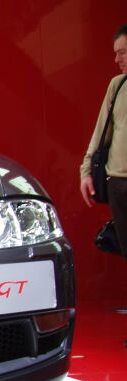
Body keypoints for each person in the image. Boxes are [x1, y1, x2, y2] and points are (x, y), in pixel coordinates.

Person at [79, 24, 127, 258]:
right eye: (116, 52)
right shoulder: (117, 86)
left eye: (123, 52)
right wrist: (86, 172)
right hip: (119, 185)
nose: (117, 59)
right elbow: (100, 134)